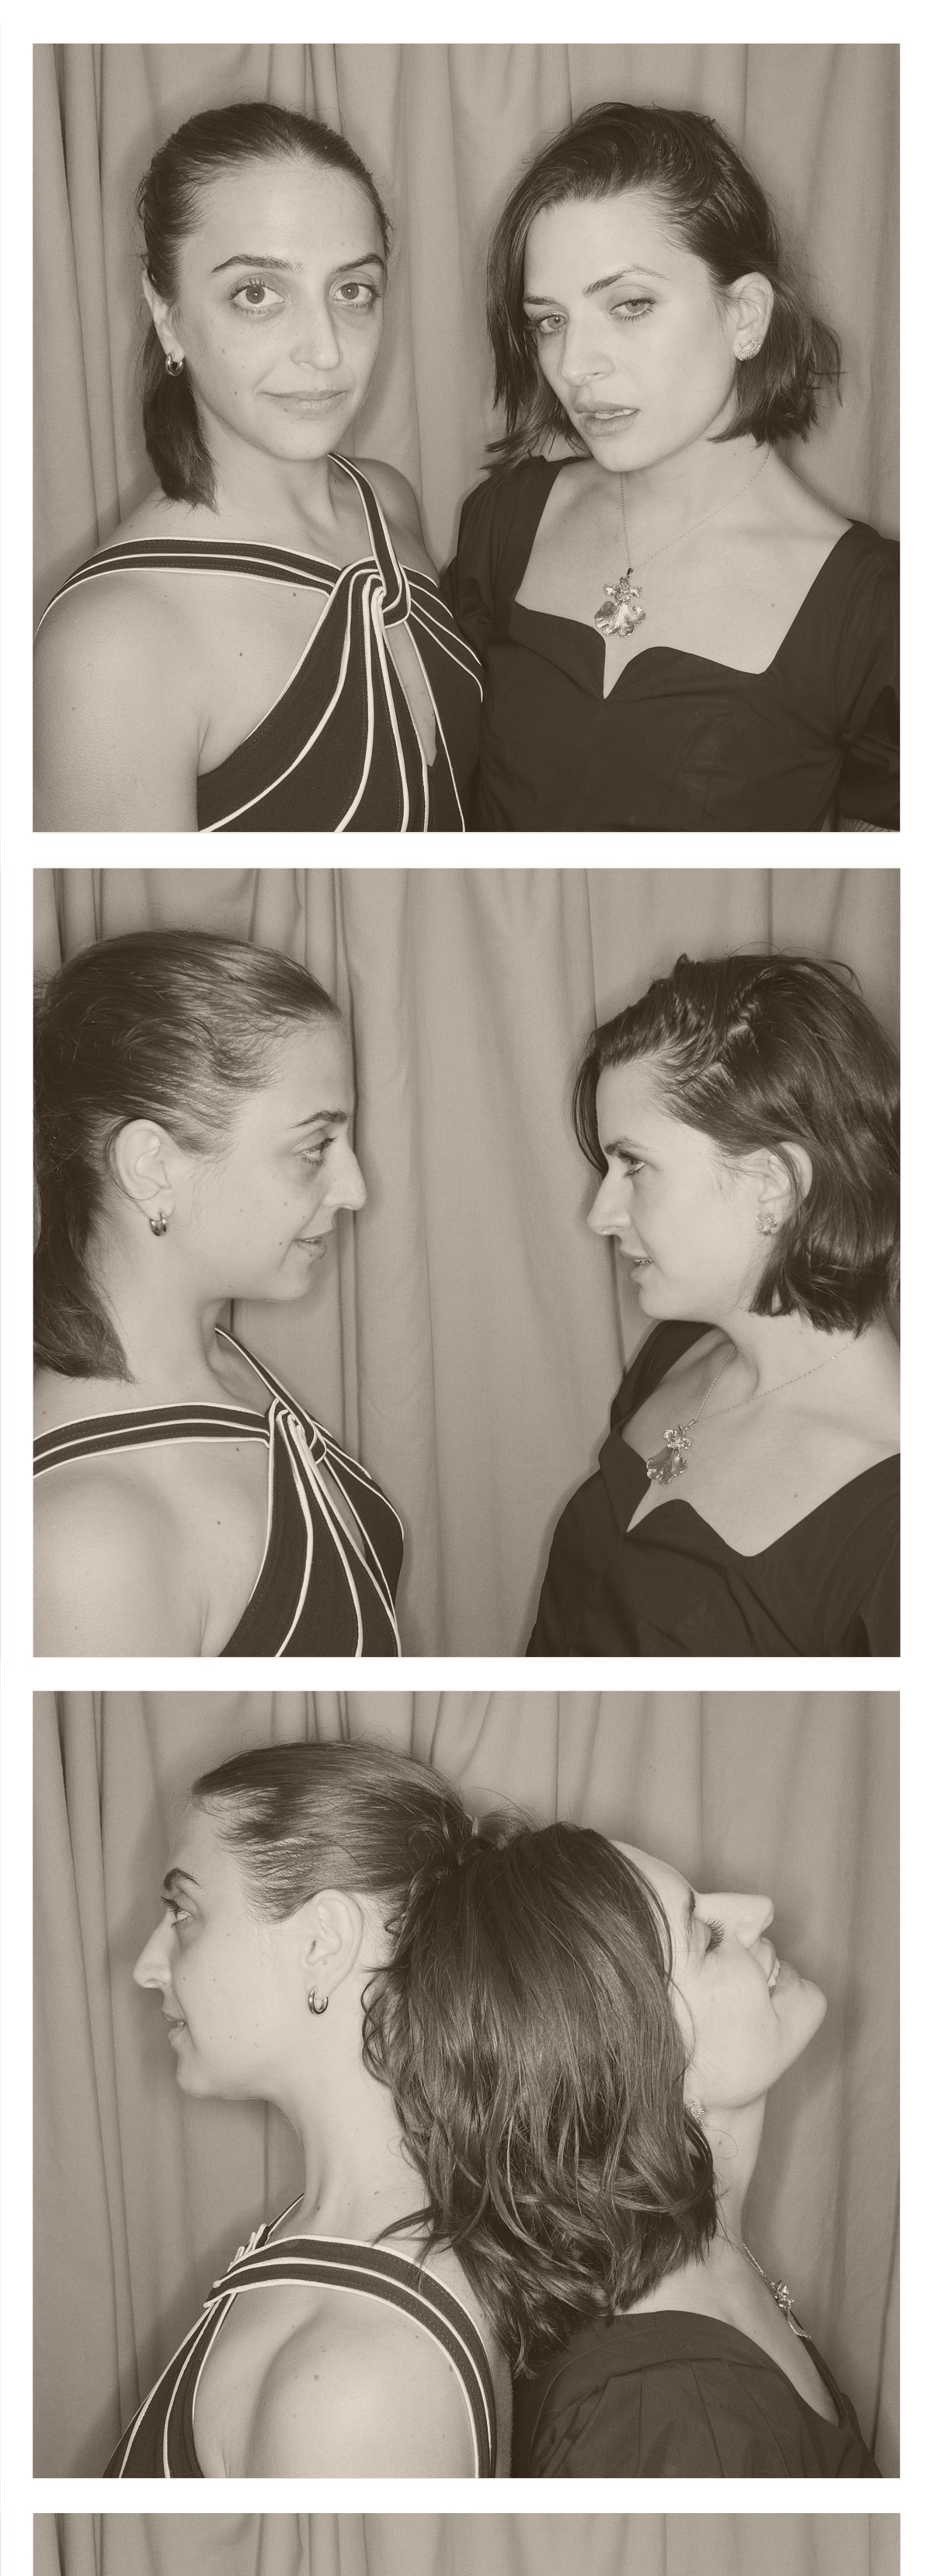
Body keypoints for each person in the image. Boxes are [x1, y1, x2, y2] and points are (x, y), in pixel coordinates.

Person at [367, 1816, 880, 2476]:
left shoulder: (695, 2273)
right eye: (707, 1938)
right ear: (638, 2074)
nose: (758, 1910)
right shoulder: (668, 2418)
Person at [443, 103, 899, 833]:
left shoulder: (878, 614)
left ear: (745, 316)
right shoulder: (503, 522)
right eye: (550, 321)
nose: (574, 365)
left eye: (629, 305)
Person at [34, 102, 482, 832]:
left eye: (352, 290)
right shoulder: (112, 645)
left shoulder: (387, 500)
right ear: (167, 313)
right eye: (257, 294)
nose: (326, 350)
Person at [103, 1744, 509, 2483]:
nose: (147, 1966)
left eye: (184, 1913)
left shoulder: (357, 2384)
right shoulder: (335, 2241)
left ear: (325, 1942)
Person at [34, 931, 404, 1659]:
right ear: (151, 1167)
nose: (355, 1189)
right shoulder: (90, 1546)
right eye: (314, 1148)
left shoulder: (217, 1359)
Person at [528, 952, 899, 1658]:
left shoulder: (895, 1523)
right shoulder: (675, 1351)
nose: (601, 1214)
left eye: (635, 1165)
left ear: (774, 1184)